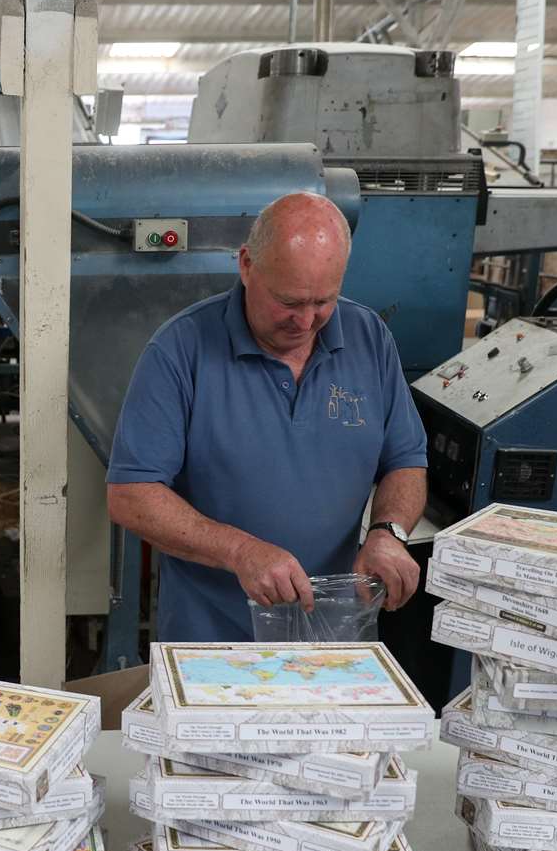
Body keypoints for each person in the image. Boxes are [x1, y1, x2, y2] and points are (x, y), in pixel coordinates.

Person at [106, 191, 427, 642]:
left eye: (323, 301)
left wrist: (388, 531)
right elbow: (131, 494)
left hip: (333, 637)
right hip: (212, 641)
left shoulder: (368, 337)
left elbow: (406, 459)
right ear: (246, 265)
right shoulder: (181, 349)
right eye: (289, 302)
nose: (306, 321)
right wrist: (241, 551)